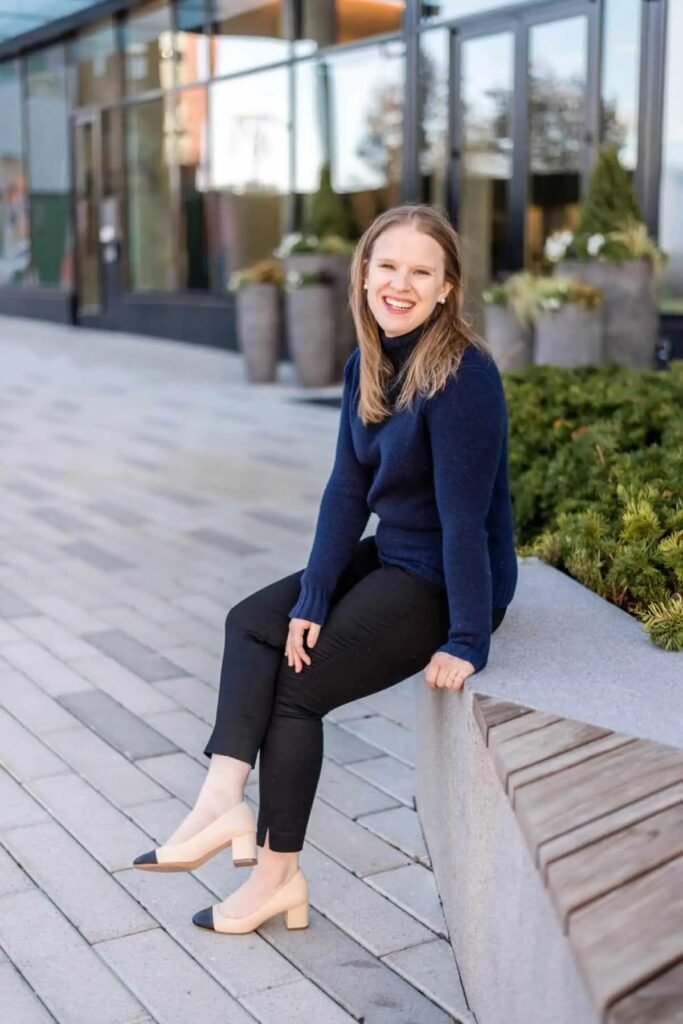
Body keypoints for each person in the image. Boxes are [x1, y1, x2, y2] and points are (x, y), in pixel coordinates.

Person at [132, 203, 518, 936]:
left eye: (420, 272)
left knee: (295, 689)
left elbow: (467, 523)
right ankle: (221, 799)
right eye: (388, 266)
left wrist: (468, 637)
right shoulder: (366, 363)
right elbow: (346, 488)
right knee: (253, 624)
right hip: (397, 553)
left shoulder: (463, 376)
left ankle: (275, 878)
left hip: (445, 580)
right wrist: (312, 596)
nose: (399, 284)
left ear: (446, 289)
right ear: (364, 273)